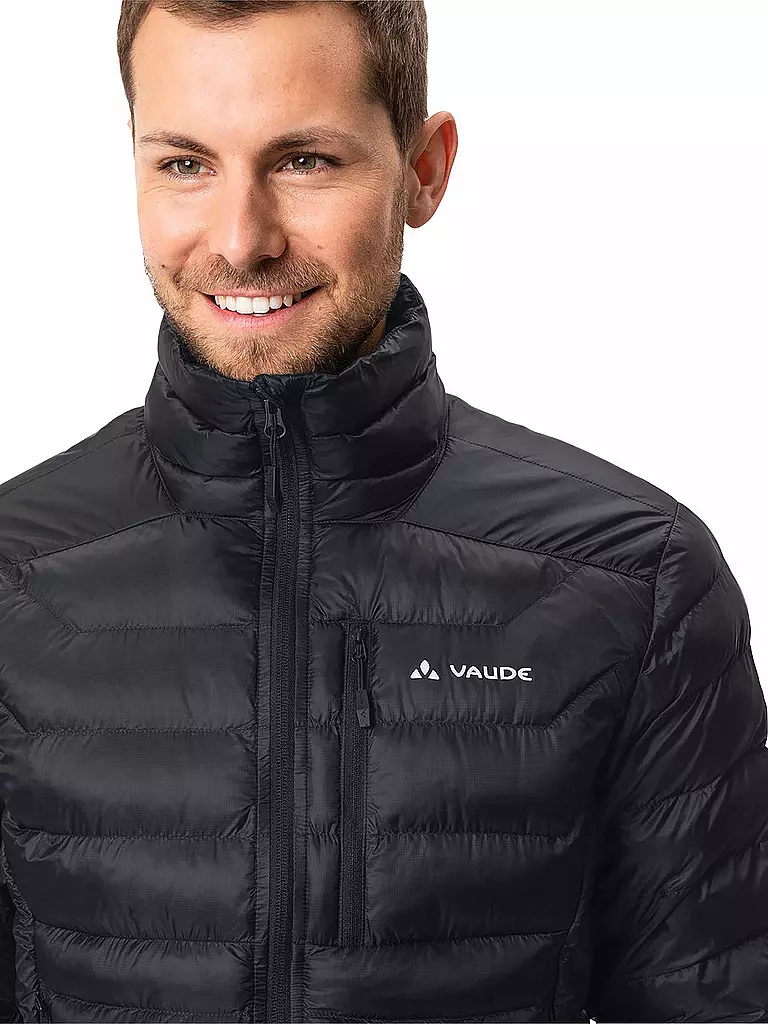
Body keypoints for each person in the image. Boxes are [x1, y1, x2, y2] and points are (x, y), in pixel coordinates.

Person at [0, 2, 765, 1021]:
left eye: (304, 161)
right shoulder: (13, 579)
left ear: (424, 169)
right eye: (184, 164)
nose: (241, 240)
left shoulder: (635, 582)